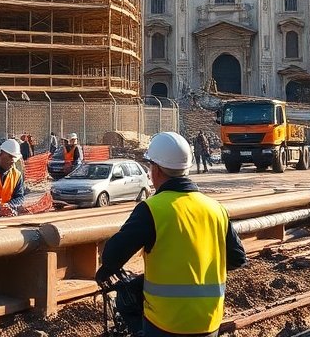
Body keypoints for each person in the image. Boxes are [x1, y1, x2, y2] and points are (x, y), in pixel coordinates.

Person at [96, 132, 246, 336]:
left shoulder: (153, 209)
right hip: (209, 322)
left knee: (127, 300)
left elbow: (112, 256)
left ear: (156, 170)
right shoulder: (216, 209)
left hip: (166, 324)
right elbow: (237, 258)